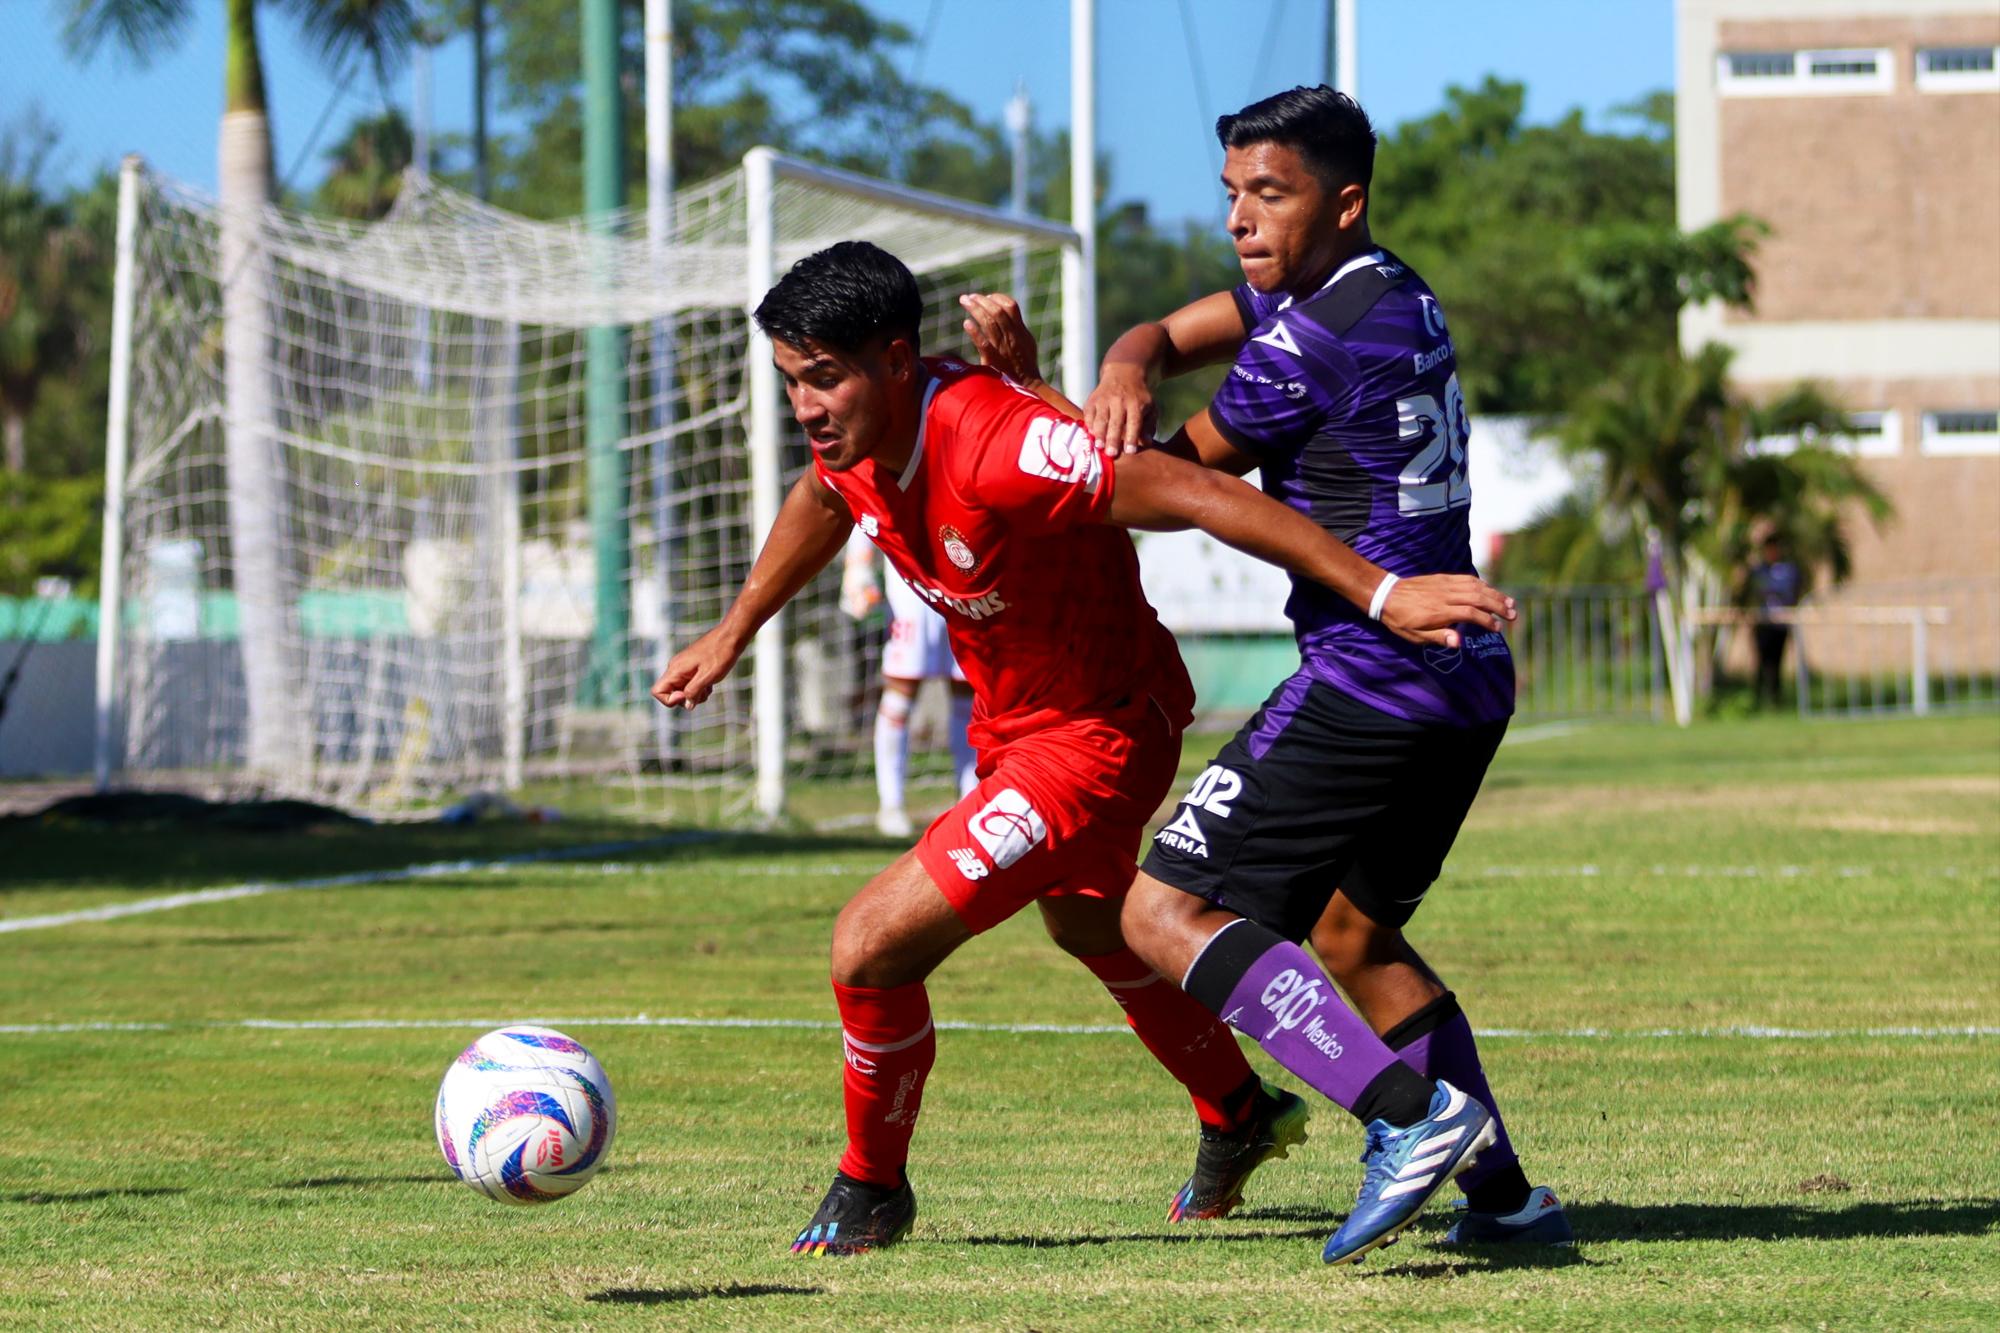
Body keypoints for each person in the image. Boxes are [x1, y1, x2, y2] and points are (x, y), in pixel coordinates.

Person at [651, 239, 1514, 1255]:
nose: (803, 407)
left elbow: (1191, 492)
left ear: (894, 358)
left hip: (1099, 731)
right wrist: (734, 627)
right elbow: (820, 501)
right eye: (790, 381)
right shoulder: (855, 442)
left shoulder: (990, 441)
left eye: (823, 378)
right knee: (1092, 926)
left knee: (870, 946)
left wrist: (1378, 591)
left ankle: (870, 1188)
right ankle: (1240, 1113)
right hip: (1015, 733)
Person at [1038, 84, 1569, 1264]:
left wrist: (1038, 392)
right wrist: (1128, 352)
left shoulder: (1307, 342)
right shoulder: (1381, 288)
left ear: (1344, 201)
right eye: (1229, 194)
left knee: (1160, 909)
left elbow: (1156, 492)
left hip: (1374, 673)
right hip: (1462, 673)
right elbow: (1176, 334)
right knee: (1352, 937)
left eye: (1266, 195)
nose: (1239, 219)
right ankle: (1505, 1199)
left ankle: (1403, 1113)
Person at [840, 529, 979, 837]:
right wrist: (858, 569)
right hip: (910, 585)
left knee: (968, 688)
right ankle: (891, 804)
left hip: (965, 578)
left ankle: (970, 799)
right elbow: (866, 497)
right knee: (902, 687)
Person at [1748, 534, 1800, 708]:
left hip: (1780, 624)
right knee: (1762, 663)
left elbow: (1787, 590)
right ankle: (1758, 701)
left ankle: (1775, 701)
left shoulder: (1787, 569)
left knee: (1776, 663)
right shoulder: (1759, 570)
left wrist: (1770, 589)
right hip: (1763, 623)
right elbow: (1755, 589)